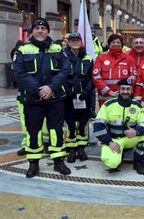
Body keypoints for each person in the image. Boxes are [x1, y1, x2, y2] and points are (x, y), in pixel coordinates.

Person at [13, 18, 71, 178]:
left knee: (56, 130)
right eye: (37, 28)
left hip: (55, 98)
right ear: (32, 31)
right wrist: (38, 90)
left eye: (43, 28)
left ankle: (59, 161)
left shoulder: (58, 48)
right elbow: (19, 72)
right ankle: (33, 163)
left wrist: (51, 87)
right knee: (33, 132)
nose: (40, 31)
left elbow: (65, 70)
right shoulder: (23, 50)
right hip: (33, 100)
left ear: (47, 31)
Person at [93, 78, 144, 174]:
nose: (125, 92)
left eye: (128, 89)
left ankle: (138, 162)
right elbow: (98, 126)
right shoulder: (108, 105)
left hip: (129, 138)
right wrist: (109, 142)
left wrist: (136, 132)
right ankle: (118, 154)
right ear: (118, 90)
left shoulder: (137, 106)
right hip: (112, 140)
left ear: (131, 91)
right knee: (112, 163)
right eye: (123, 89)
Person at [64, 33, 94, 163]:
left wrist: (87, 90)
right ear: (69, 42)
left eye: (77, 40)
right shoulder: (63, 57)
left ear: (81, 42)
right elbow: (60, 75)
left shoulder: (88, 58)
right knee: (70, 123)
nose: (75, 42)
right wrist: (67, 90)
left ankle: (81, 147)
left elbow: (92, 77)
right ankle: (71, 149)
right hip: (68, 96)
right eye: (73, 40)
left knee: (83, 123)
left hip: (83, 96)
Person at [92, 34, 136, 107]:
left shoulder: (129, 59)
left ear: (122, 45)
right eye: (113, 42)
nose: (116, 44)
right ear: (109, 44)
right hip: (105, 98)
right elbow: (96, 76)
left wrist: (125, 91)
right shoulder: (101, 58)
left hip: (124, 96)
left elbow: (133, 77)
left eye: (118, 42)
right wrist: (108, 91)